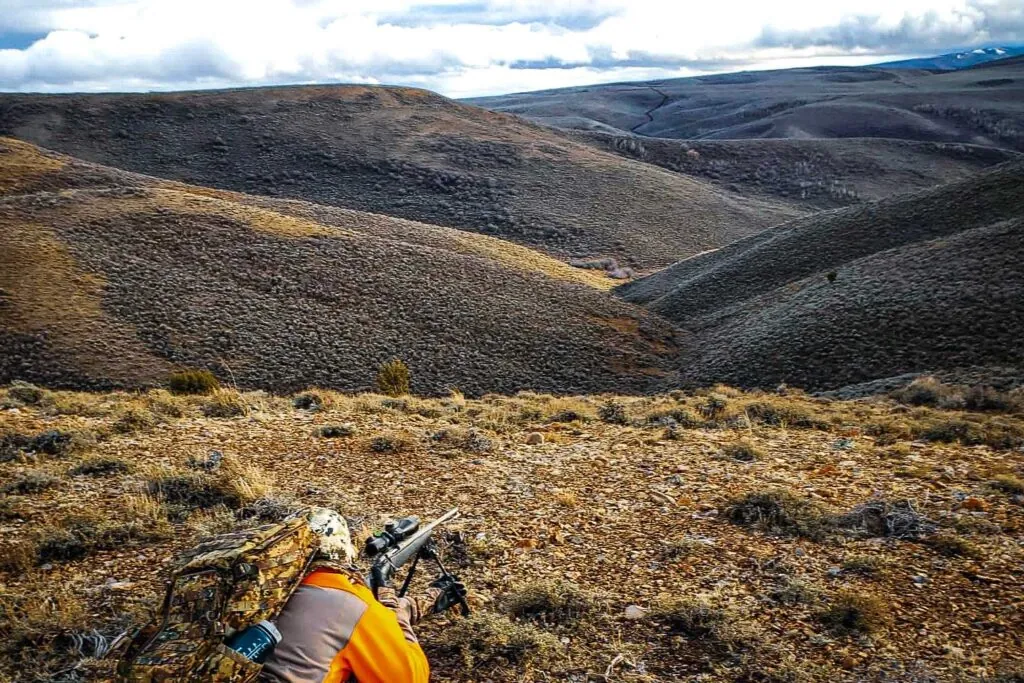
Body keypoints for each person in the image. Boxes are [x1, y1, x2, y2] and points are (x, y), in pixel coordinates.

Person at [260, 508, 467, 683]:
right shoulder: (350, 603)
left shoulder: (262, 591)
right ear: (343, 550)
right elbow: (410, 677)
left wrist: (417, 604)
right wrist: (397, 614)